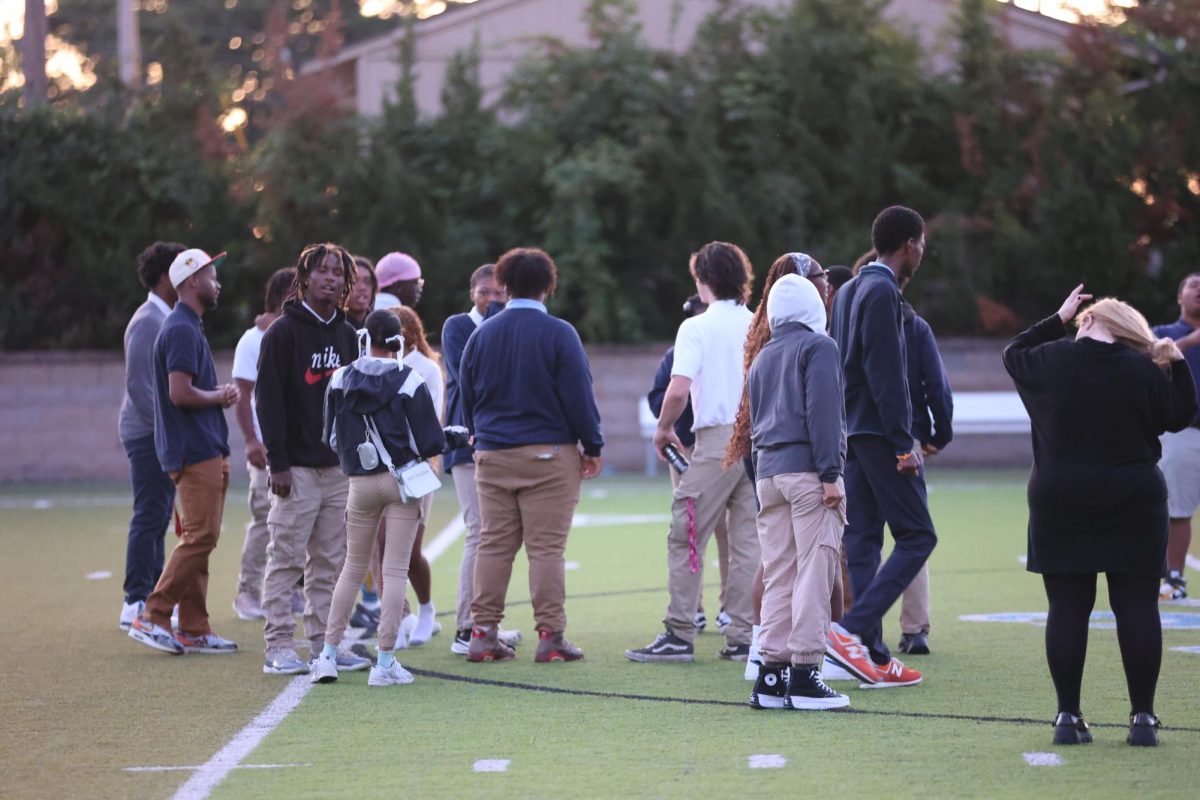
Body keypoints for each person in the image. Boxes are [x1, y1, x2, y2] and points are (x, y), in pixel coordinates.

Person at [1003, 286, 1196, 747]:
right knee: (1138, 609)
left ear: (1087, 320)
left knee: (1067, 608)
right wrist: (1180, 364)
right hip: (1134, 499)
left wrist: (1057, 316)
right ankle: (1144, 719)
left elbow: (1014, 352)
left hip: (1059, 498)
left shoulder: (1050, 360)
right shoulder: (1144, 369)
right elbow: (1182, 414)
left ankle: (1068, 716)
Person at [460, 247, 604, 663]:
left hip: (491, 452)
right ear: (549, 286)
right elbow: (579, 396)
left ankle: (482, 632)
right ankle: (551, 635)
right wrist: (592, 445)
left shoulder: (482, 333)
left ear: (503, 286)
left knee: (494, 545)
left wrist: (478, 434)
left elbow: (467, 395)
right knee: (546, 549)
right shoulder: (559, 333)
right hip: (547, 453)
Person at [626, 241, 759, 663]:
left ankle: (680, 633)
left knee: (685, 535)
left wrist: (664, 428)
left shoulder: (696, 327)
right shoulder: (759, 323)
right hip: (758, 442)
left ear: (703, 282)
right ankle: (742, 635)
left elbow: (678, 389)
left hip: (718, 441)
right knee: (746, 544)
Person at [314, 310, 454, 686]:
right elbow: (429, 442)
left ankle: (326, 655)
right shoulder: (408, 378)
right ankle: (386, 661)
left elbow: (329, 436)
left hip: (359, 482)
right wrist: (451, 437)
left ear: (364, 337)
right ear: (398, 341)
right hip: (402, 481)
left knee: (352, 568)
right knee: (393, 572)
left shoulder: (340, 377)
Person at [826, 206, 931, 688]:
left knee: (863, 540)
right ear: (909, 244)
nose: (922, 254)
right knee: (917, 536)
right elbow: (886, 372)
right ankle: (848, 631)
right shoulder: (884, 289)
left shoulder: (847, 290)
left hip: (850, 433)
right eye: (922, 244)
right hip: (876, 434)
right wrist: (902, 441)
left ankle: (871, 655)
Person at [256, 243, 371, 676]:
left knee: (331, 561)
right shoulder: (282, 333)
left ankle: (326, 643)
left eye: (338, 273)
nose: (331, 278)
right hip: (297, 469)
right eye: (322, 271)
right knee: (285, 556)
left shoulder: (348, 335)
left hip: (337, 467)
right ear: (303, 278)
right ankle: (279, 645)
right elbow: (269, 403)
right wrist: (277, 463)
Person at [128, 247, 239, 655]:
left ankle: (194, 627)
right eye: (211, 275)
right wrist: (220, 396)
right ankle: (153, 614)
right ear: (192, 280)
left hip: (204, 446)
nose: (217, 282)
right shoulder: (179, 328)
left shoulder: (188, 325)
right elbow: (179, 393)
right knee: (201, 536)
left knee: (200, 538)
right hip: (194, 451)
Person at [746, 274, 850, 710]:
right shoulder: (818, 347)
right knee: (814, 570)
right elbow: (823, 413)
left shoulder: (762, 356)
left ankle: (770, 676)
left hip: (768, 474)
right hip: (808, 472)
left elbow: (752, 424)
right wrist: (831, 472)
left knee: (779, 573)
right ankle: (806, 673)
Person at [441, 264, 522, 654]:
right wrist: (495, 317)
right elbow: (468, 372)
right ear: (472, 292)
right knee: (479, 530)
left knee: (495, 534)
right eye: (485, 293)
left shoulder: (507, 328)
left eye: (499, 294)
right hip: (466, 441)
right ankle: (466, 627)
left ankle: (485, 623)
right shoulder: (457, 326)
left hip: (495, 442)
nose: (492, 300)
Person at [648, 294, 730, 634]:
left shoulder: (729, 345)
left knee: (731, 532)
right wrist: (674, 426)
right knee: (692, 526)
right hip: (687, 449)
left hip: (721, 447)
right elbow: (660, 396)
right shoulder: (677, 352)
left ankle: (731, 608)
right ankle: (693, 608)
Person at [117, 241, 184, 631]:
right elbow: (141, 389)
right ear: (165, 277)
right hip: (147, 435)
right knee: (149, 515)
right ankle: (135, 599)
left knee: (158, 516)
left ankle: (151, 597)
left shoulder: (166, 317)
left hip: (157, 434)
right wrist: (166, 438)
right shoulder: (147, 322)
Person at [230, 267, 296, 621]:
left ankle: (295, 590)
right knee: (263, 518)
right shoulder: (252, 339)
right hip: (266, 447)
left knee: (300, 518)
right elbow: (243, 394)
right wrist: (251, 440)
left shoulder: (297, 334)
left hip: (295, 445)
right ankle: (247, 592)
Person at [896, 280, 954, 655]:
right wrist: (939, 433)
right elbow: (937, 386)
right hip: (907, 444)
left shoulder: (845, 324)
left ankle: (851, 626)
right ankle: (915, 628)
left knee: (856, 539)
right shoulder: (915, 327)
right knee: (912, 534)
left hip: (854, 442)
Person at [394, 305, 444, 646]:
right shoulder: (374, 366)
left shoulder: (426, 369)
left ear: (410, 333)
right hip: (380, 469)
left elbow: (432, 423)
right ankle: (395, 621)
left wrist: (424, 461)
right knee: (383, 551)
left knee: (410, 552)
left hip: (416, 467)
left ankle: (426, 608)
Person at [1151, 272, 1200, 601]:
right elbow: (1152, 361)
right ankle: (1175, 580)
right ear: (1179, 296)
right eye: (1194, 285)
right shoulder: (1164, 333)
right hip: (1184, 431)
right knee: (1178, 509)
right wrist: (1193, 339)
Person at [344, 255, 377, 329]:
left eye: (367, 281)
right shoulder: (332, 325)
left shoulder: (380, 324)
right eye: (354, 281)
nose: (362, 287)